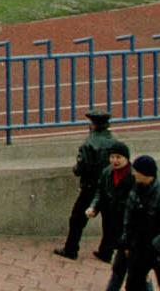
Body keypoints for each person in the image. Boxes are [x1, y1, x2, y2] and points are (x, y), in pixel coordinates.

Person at [59, 110, 128, 260]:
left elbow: (80, 168)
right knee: (109, 221)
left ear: (92, 125)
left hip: (90, 186)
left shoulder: (88, 143)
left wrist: (76, 169)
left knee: (77, 219)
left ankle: (71, 249)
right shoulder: (116, 142)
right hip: (111, 185)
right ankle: (106, 252)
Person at [110, 157, 160, 291]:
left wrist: (154, 248)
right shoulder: (136, 188)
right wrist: (126, 242)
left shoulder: (158, 193)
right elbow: (129, 217)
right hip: (138, 246)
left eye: (136, 171)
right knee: (133, 284)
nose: (133, 173)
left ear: (146, 174)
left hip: (154, 247)